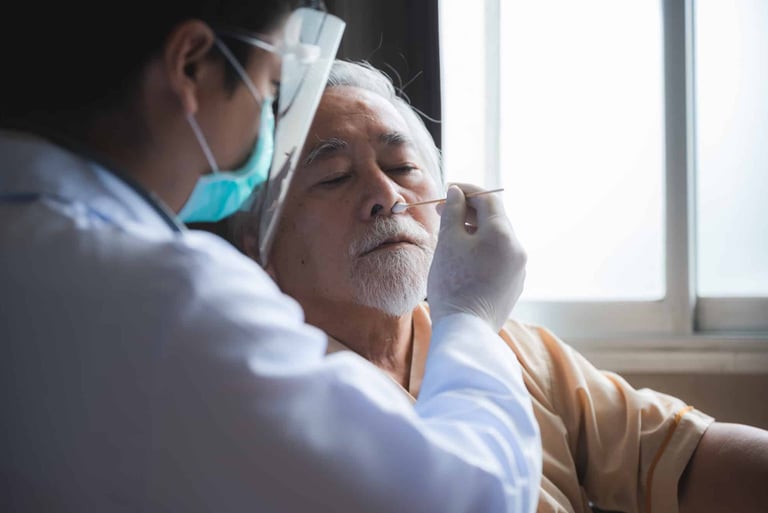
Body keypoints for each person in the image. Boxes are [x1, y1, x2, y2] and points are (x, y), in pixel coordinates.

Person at [0, 4, 542, 512]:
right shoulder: (171, 301)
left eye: (401, 167)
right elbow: (469, 498)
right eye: (271, 85)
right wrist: (469, 318)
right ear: (191, 65)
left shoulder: (39, 246)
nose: (387, 196)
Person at [232, 59, 768, 513]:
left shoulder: (512, 347)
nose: (387, 196)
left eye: (401, 166)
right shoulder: (273, 395)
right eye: (334, 177)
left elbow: (686, 457)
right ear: (260, 236)